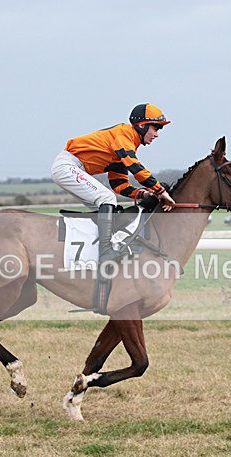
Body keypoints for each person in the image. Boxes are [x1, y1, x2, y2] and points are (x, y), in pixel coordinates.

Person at [51, 103, 176, 313]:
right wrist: (159, 190)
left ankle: (95, 251)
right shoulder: (124, 135)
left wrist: (144, 194)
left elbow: (120, 185)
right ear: (142, 125)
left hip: (74, 167)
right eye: (156, 128)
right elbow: (136, 168)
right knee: (106, 198)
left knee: (107, 201)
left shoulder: (126, 146)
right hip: (67, 166)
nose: (157, 134)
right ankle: (106, 252)